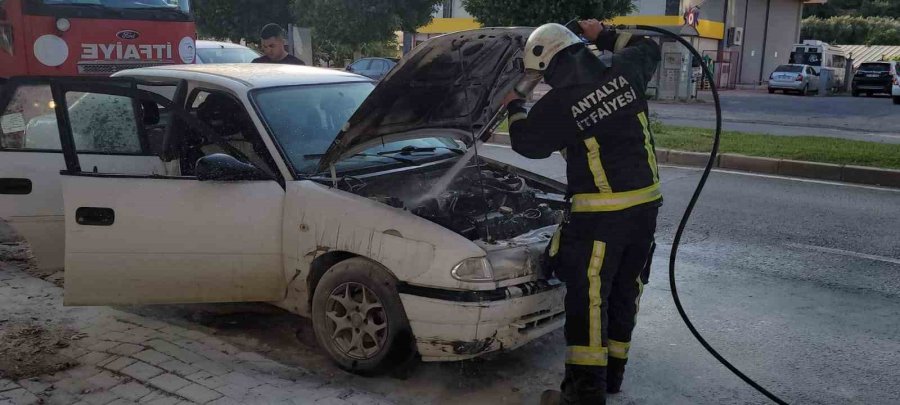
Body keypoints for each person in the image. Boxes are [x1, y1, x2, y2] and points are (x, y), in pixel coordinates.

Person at [502, 20, 661, 405]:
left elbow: (526, 142)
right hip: (646, 207)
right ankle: (612, 377)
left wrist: (515, 107)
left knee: (589, 300)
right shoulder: (624, 70)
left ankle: (583, 395)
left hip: (602, 217)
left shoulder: (560, 104)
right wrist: (601, 31)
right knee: (628, 288)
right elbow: (648, 45)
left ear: (551, 66)